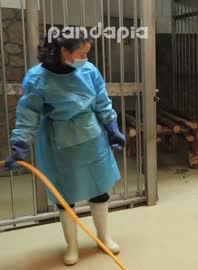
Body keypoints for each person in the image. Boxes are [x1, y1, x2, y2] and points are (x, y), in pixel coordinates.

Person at [4, 32, 126, 266]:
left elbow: (102, 101)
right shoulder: (37, 78)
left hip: (92, 138)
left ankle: (103, 237)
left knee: (100, 189)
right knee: (64, 196)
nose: (86, 58)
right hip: (58, 143)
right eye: (82, 53)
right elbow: (28, 114)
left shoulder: (89, 71)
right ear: (64, 52)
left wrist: (112, 128)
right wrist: (20, 144)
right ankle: (72, 246)